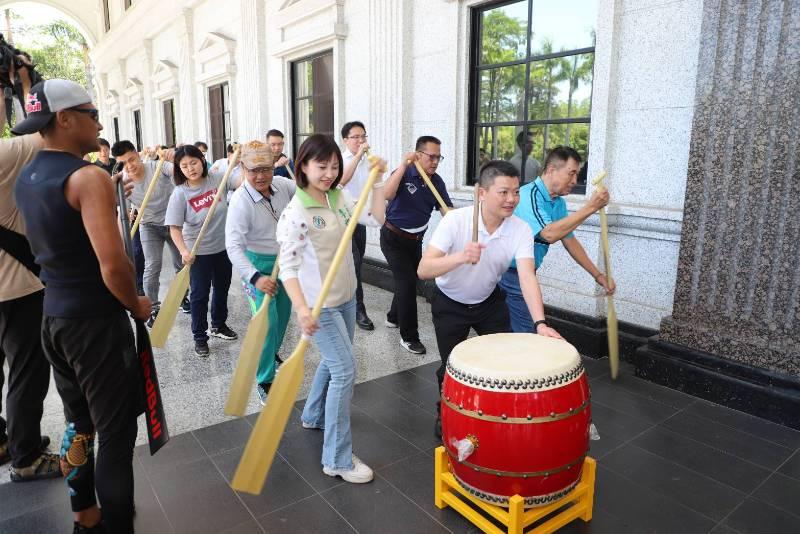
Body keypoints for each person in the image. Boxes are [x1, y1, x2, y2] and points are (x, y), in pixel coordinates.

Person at [14, 78, 150, 533]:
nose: (97, 122)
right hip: (94, 322)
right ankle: (116, 525)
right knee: (114, 433)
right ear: (65, 119)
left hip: (53, 317)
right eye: (91, 113)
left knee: (79, 421)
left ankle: (84, 514)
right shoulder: (87, 177)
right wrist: (137, 304)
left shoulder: (30, 175)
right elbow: (112, 265)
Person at [417, 160, 562, 439]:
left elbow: (527, 276)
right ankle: (445, 410)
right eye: (504, 192)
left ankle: (498, 413)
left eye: (516, 192)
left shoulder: (519, 229)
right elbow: (424, 269)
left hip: (489, 302)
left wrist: (540, 323)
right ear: (482, 193)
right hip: (450, 303)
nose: (512, 199)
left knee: (503, 361)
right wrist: (461, 257)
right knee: (451, 366)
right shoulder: (455, 221)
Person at [276, 134, 386, 484]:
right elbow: (288, 268)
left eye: (334, 166)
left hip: (346, 298)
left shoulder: (340, 196)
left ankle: (313, 414)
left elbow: (377, 218)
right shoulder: (296, 213)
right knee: (344, 371)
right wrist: (302, 309)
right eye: (321, 166)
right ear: (303, 167)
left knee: (334, 361)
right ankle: (337, 458)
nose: (328, 173)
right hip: (317, 306)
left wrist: (378, 181)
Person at [499, 146, 615, 333]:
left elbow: (570, 241)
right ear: (552, 170)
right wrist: (591, 207)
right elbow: (549, 234)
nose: (575, 181)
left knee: (516, 333)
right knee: (526, 335)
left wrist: (599, 276)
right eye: (571, 174)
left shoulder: (558, 203)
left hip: (524, 272)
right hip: (509, 273)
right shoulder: (529, 195)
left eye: (577, 174)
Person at [0, 130, 61, 483]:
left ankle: (5, 439)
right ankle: (25, 456)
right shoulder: (7, 154)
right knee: (27, 373)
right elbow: (49, 131)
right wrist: (26, 85)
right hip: (14, 289)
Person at [225, 141, 295, 404]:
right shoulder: (241, 201)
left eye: (266, 169)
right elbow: (233, 247)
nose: (261, 176)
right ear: (243, 168)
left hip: (287, 261)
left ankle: (272, 354)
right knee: (267, 324)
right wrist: (256, 277)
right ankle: (265, 379)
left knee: (284, 316)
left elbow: (309, 198)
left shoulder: (285, 186)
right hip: (256, 267)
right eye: (254, 170)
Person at [380, 135, 454, 354]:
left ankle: (393, 317)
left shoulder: (436, 181)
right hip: (393, 238)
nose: (435, 162)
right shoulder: (404, 173)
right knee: (407, 284)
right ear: (418, 154)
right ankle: (409, 336)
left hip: (416, 240)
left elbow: (446, 212)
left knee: (409, 280)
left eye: (438, 157)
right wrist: (403, 164)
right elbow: (386, 194)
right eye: (431, 157)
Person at [166, 144, 238, 357]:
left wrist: (242, 161)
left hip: (222, 247)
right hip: (197, 252)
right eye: (185, 165)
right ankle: (200, 336)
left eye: (194, 162)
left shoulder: (218, 179)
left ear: (202, 161)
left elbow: (243, 180)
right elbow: (174, 229)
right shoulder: (180, 194)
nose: (191, 168)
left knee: (222, 288)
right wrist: (183, 251)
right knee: (199, 295)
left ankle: (218, 324)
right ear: (180, 169)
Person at [112, 140, 185, 327]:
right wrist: (121, 243)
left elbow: (182, 173)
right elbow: (123, 216)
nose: (130, 166)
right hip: (148, 225)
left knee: (181, 264)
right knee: (152, 265)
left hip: (173, 222)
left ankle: (182, 297)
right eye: (124, 163)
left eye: (132, 159)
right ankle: (153, 308)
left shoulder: (158, 166)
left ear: (138, 154)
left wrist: (175, 158)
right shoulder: (123, 182)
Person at [339, 121, 375, 330]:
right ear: (345, 140)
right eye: (356, 137)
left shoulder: (367, 160)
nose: (361, 141)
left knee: (357, 263)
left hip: (360, 218)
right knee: (353, 262)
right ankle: (358, 310)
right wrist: (359, 156)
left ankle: (349, 302)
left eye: (364, 136)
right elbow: (342, 180)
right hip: (342, 219)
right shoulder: (341, 160)